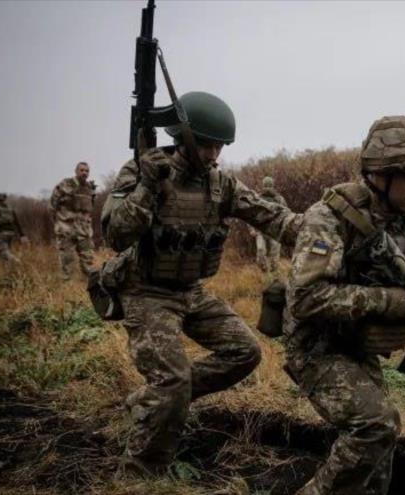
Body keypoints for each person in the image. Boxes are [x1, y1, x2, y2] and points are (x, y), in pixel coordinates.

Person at [102, 91, 301, 476]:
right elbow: (116, 235)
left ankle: (153, 400)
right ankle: (139, 474)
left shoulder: (220, 184)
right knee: (173, 380)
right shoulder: (141, 172)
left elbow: (272, 216)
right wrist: (147, 185)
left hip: (190, 292)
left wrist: (323, 232)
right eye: (208, 145)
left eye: (219, 146)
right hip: (146, 292)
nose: (214, 155)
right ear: (183, 137)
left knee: (244, 351)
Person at [284, 116, 405, 495]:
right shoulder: (329, 218)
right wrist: (389, 301)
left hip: (358, 348)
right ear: (380, 173)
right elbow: (305, 299)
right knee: (374, 425)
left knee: (380, 456)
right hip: (316, 348)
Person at [50, 161, 96, 280]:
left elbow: (90, 208)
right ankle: (66, 286)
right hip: (66, 228)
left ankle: (89, 286)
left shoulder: (89, 188)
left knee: (88, 258)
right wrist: (58, 223)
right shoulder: (65, 184)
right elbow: (52, 205)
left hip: (84, 230)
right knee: (67, 258)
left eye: (87, 171)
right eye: (82, 170)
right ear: (76, 171)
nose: (84, 173)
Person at [254, 176, 288, 272]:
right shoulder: (257, 198)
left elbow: (286, 213)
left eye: (269, 185)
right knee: (260, 250)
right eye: (266, 185)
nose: (267, 187)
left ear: (273, 186)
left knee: (274, 253)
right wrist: (252, 229)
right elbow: (250, 213)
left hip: (275, 230)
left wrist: (283, 227)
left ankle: (274, 272)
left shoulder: (279, 199)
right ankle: (264, 270)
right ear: (263, 185)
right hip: (260, 229)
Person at [0, 192, 27, 265]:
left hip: (1, 233)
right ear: (4, 200)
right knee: (3, 255)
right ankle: (7, 272)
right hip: (11, 233)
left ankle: (17, 262)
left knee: (2, 252)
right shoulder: (10, 209)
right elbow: (17, 222)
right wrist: (22, 235)